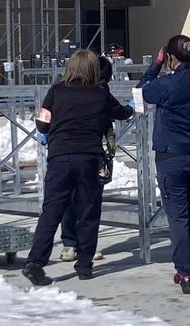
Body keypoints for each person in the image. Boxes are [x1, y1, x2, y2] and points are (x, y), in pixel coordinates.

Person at [22, 50, 134, 286]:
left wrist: (52, 130)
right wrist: (133, 106)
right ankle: (84, 265)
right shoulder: (100, 94)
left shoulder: (56, 91)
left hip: (59, 158)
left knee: (51, 212)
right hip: (88, 159)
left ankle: (35, 261)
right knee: (88, 212)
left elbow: (42, 124)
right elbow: (122, 113)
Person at [136, 35, 190, 294]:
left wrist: (155, 64)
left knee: (178, 217)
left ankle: (185, 272)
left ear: (170, 57)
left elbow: (141, 90)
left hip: (171, 156)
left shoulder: (166, 85)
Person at [57, 53, 114, 262]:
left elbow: (111, 113)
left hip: (90, 152)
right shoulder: (66, 89)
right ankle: (70, 243)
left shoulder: (100, 91)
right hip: (70, 150)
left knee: (88, 202)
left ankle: (86, 245)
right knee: (71, 200)